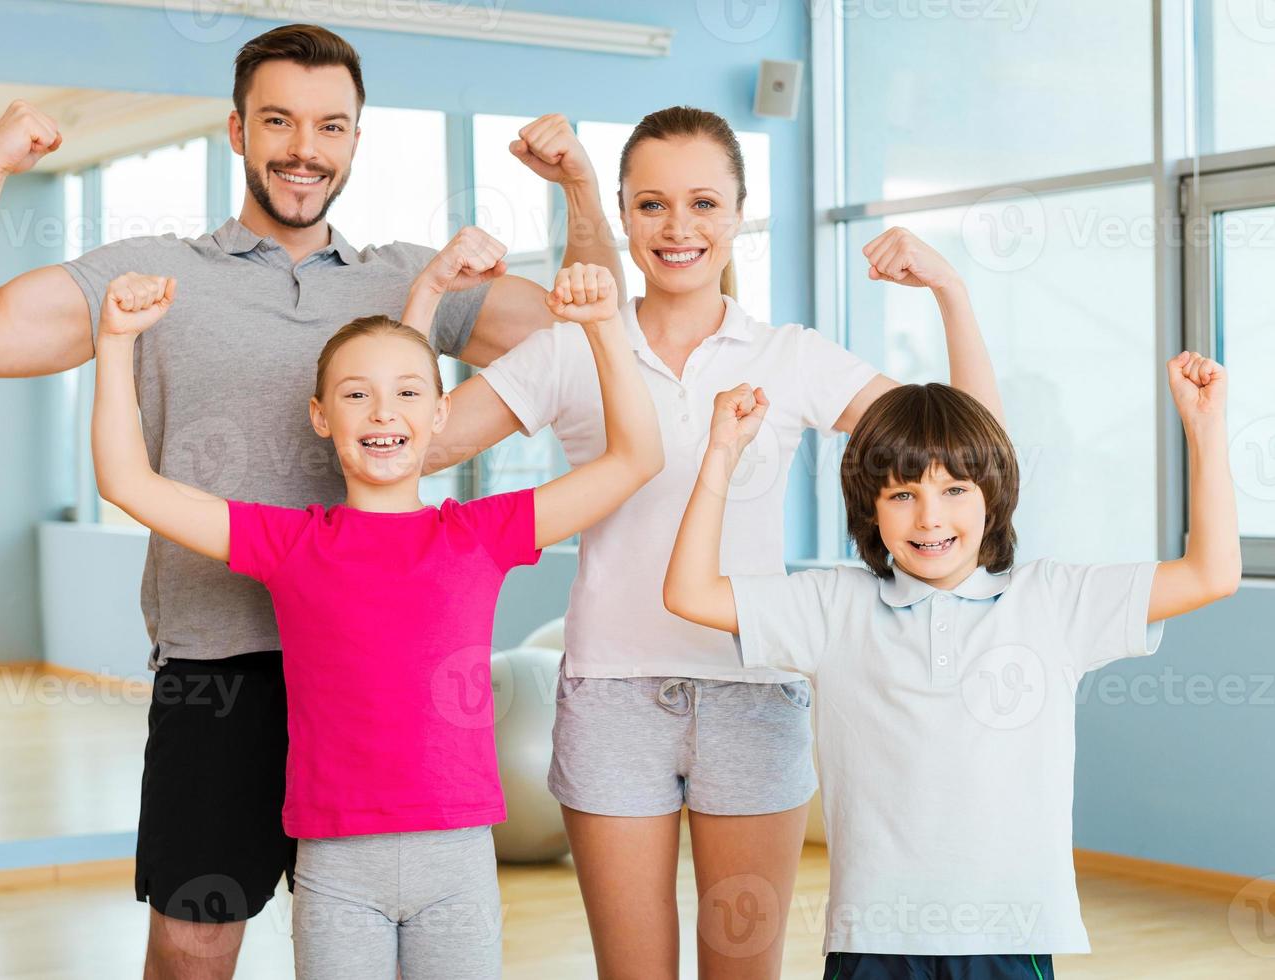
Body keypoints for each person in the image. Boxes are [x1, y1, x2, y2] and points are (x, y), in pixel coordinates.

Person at [0, 23, 624, 979]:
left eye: (331, 125)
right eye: (279, 120)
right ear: (236, 131)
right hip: (224, 671)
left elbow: (592, 330)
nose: (304, 147)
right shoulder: (155, 273)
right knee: (194, 946)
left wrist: (578, 187)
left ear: (356, 140)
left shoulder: (403, 279)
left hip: (388, 682)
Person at [422, 105, 999, 979]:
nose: (678, 228)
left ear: (738, 214)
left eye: (702, 203)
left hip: (752, 691)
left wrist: (951, 291)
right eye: (651, 205)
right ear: (621, 214)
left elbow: (969, 450)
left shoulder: (790, 356)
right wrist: (424, 297)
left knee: (743, 967)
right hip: (612, 693)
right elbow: (409, 438)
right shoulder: (570, 351)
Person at [89, 257, 661, 979]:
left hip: (455, 857)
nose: (383, 412)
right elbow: (126, 480)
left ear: (438, 414)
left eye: (406, 392)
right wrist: (114, 344)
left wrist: (605, 329)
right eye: (357, 395)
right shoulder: (291, 543)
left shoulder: (479, 535)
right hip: (335, 863)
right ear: (322, 418)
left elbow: (636, 457)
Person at [663, 354, 1240, 979]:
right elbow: (689, 593)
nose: (930, 517)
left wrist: (1205, 433)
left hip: (1007, 934)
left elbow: (1212, 573)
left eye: (955, 490)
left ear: (993, 496)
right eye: (903, 494)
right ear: (870, 511)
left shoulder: (1052, 601)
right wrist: (721, 453)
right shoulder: (832, 604)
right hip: (873, 937)